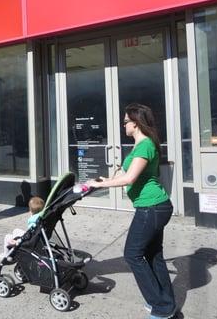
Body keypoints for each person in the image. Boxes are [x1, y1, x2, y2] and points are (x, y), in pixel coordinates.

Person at [86, 103, 176, 319]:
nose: (123, 125)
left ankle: (161, 307)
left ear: (135, 123)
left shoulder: (144, 145)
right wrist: (106, 180)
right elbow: (131, 176)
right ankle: (167, 304)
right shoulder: (142, 144)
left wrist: (99, 186)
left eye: (125, 121)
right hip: (155, 206)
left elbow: (130, 178)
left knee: (132, 254)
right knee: (153, 256)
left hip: (151, 207)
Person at [0, 196, 45, 260]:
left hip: (29, 239)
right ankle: (9, 252)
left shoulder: (34, 220)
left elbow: (30, 234)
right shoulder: (42, 216)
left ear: (30, 210)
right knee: (15, 230)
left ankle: (7, 255)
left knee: (7, 237)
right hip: (35, 236)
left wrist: (19, 240)